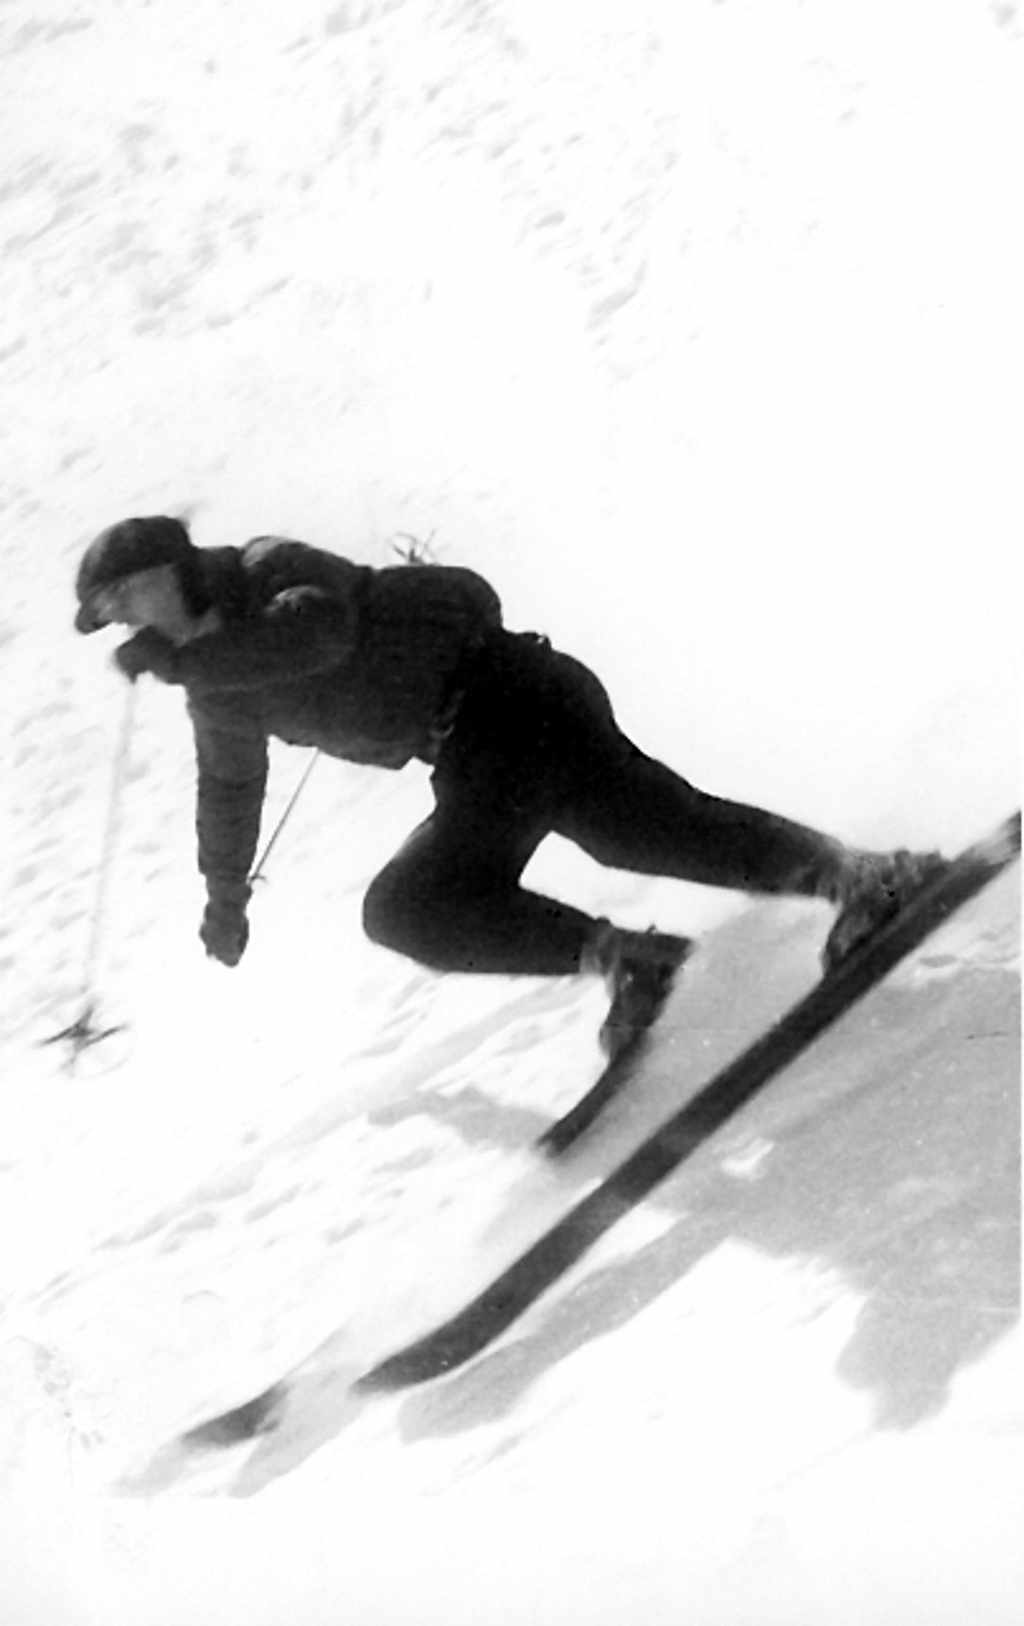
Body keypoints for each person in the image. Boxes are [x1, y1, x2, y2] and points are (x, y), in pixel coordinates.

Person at [73, 516, 941, 1059]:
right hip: (472, 747)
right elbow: (229, 787)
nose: (119, 615)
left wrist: (188, 660)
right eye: (107, 610)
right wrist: (224, 894)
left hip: (510, 690)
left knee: (474, 883)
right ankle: (818, 888)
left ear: (166, 568)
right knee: (632, 831)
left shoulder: (265, 568)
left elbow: (321, 636)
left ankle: (825, 888)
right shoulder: (211, 683)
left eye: (121, 593)